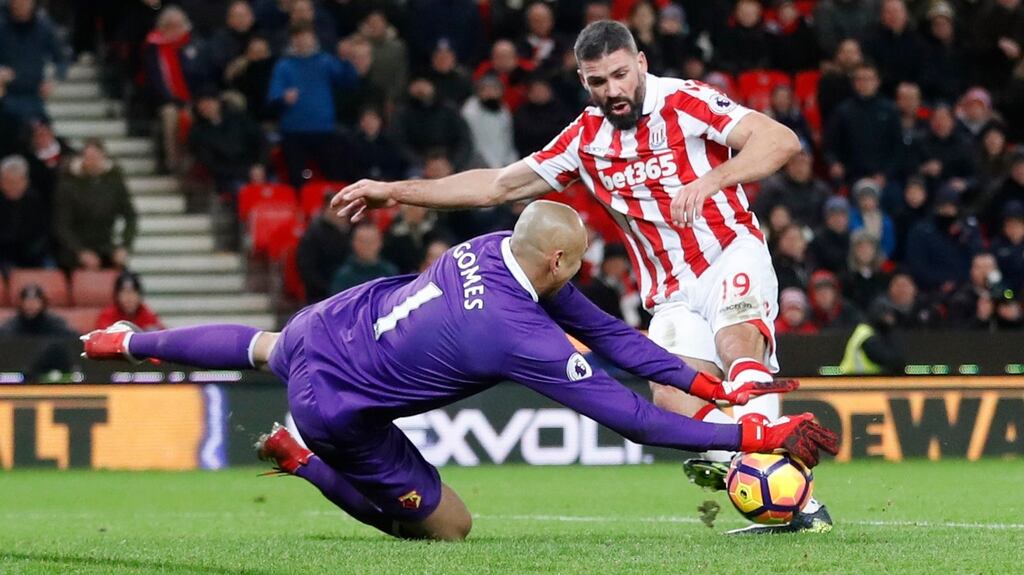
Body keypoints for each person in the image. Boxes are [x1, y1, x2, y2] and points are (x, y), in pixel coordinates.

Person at [82, 201, 836, 541]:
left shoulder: (492, 247)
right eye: (577, 264)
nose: (581, 274)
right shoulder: (518, 337)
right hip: (337, 406)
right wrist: (755, 432)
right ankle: (304, 460)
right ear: (556, 259)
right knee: (446, 527)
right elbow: (632, 416)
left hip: (337, 321)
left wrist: (706, 384)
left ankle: (131, 342)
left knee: (259, 344)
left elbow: (606, 330)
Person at [335, 21, 832, 533]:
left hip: (730, 252)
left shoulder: (687, 101)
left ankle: (793, 497)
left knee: (737, 344)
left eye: (621, 74)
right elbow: (495, 186)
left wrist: (711, 179)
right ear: (583, 80)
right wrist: (395, 190)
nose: (613, 90)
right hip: (671, 289)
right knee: (672, 397)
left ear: (640, 64)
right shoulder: (584, 139)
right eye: (599, 82)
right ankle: (765, 477)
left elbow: (780, 140)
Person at [267, 24, 357, 187]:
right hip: (294, 132)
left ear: (314, 39)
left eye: (306, 36)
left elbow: (348, 82)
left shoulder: (325, 61)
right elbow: (273, 97)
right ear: (292, 40)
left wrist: (346, 60)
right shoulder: (284, 66)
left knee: (333, 176)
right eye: (298, 37)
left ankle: (335, 210)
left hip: (323, 130)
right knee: (296, 179)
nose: (302, 41)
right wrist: (283, 98)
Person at [53, 140, 137, 271]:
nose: (92, 162)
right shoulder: (68, 185)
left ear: (103, 157)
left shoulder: (114, 182)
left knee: (123, 276)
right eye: (88, 158)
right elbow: (62, 225)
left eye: (96, 158)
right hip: (74, 250)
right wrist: (81, 252)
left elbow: (130, 216)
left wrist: (124, 246)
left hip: (105, 246)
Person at [187, 91, 267, 195]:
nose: (206, 106)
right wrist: (246, 172)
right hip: (229, 177)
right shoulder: (198, 133)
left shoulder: (239, 118)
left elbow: (261, 141)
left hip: (257, 168)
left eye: (209, 102)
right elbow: (211, 165)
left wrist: (261, 164)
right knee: (243, 191)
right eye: (201, 104)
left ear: (218, 102)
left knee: (275, 190)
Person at [0, 0, 68, 120]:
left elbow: (62, 58)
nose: (20, 6)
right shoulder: (2, 25)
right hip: (7, 95)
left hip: (34, 96)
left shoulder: (44, 26)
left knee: (41, 129)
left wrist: (54, 80)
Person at [753, 148, 831, 230]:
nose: (799, 167)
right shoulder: (773, 187)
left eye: (803, 162)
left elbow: (827, 220)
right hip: (778, 236)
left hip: (813, 237)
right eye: (795, 162)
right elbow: (758, 214)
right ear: (787, 164)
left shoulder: (821, 190)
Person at [0, 154, 50, 269]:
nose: (12, 187)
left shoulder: (36, 201)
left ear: (25, 182)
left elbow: (42, 234)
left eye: (16, 182)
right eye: (8, 182)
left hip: (32, 256)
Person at [461, 75, 518, 169]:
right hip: (479, 163)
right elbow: (473, 141)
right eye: (486, 90)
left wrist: (510, 160)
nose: (490, 93)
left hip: (504, 161)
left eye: (495, 90)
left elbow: (507, 137)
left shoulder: (503, 109)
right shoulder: (470, 112)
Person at [329, 222, 399, 294]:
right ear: (353, 244)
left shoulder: (390, 272)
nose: (367, 246)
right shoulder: (343, 277)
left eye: (371, 241)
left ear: (380, 243)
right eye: (362, 241)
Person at [95, 272, 165, 331]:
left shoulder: (147, 315)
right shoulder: (107, 316)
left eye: (133, 292)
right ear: (116, 296)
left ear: (140, 295)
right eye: (124, 293)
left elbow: (160, 337)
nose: (129, 298)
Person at [0, 284, 74, 337]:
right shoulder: (10, 327)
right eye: (27, 302)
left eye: (35, 302)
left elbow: (73, 339)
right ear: (21, 304)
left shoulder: (55, 324)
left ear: (43, 303)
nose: (31, 305)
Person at [810, 196, 852, 274]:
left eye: (842, 215)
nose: (838, 219)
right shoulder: (818, 240)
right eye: (833, 216)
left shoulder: (853, 237)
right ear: (827, 218)